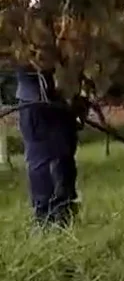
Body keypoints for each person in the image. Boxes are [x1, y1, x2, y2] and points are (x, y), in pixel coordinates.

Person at [14, 65, 80, 227]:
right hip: (35, 101)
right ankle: (44, 220)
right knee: (41, 160)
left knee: (64, 156)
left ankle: (64, 214)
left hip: (64, 99)